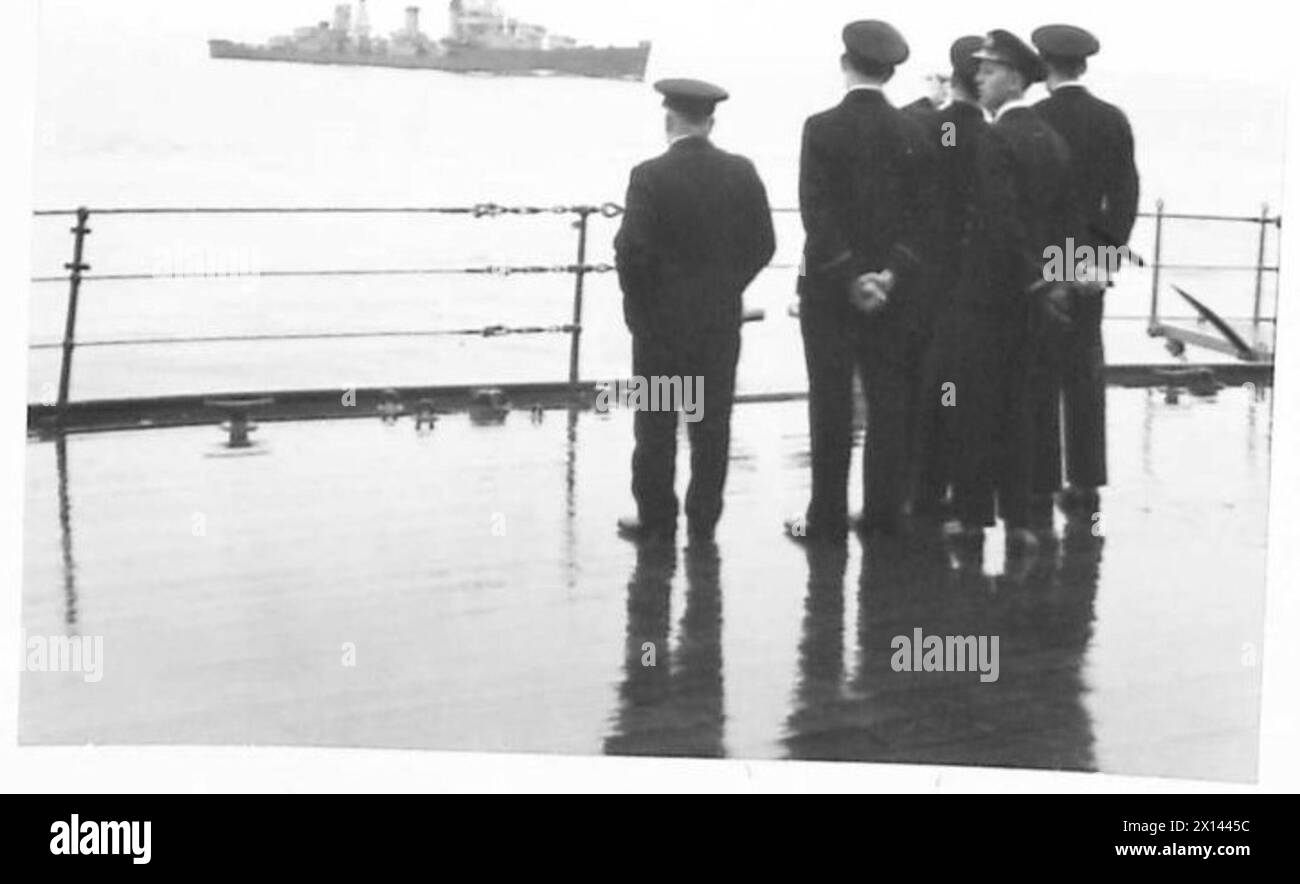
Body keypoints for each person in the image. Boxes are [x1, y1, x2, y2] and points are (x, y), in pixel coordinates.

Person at [787, 20, 934, 543]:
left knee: (829, 402)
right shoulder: (918, 132)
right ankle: (882, 516)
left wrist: (850, 276)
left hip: (828, 289)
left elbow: (816, 214)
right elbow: (923, 219)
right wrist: (888, 275)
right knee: (889, 402)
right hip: (896, 293)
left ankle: (825, 517)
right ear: (891, 71)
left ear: (845, 63)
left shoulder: (819, 128)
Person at [614, 78, 776, 544]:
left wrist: (641, 311)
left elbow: (633, 251)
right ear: (711, 122)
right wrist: (727, 288)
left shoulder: (649, 175)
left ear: (669, 120)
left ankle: (656, 518)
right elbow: (764, 244)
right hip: (718, 324)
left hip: (661, 328)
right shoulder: (742, 171)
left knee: (656, 425)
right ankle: (703, 521)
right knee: (711, 425)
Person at [947, 29, 1074, 558]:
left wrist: (1029, 276)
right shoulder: (1052, 139)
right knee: (1023, 405)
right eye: (979, 69)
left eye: (991, 69)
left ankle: (974, 517)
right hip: (1036, 298)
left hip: (989, 295)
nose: (980, 77)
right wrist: (1054, 280)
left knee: (975, 404)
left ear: (1016, 77)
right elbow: (1068, 221)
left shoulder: (992, 139)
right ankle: (1020, 517)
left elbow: (999, 219)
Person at [1032, 24, 1140, 519]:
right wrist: (1101, 258)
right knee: (1085, 370)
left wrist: (1042, 266)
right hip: (1089, 262)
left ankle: (1041, 476)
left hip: (1041, 266)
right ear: (1083, 64)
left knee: (1039, 370)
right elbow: (1124, 196)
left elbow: (1026, 204)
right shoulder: (1112, 119)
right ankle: (1086, 482)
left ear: (1044, 62)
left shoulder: (1034, 119)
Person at [907, 35, 990, 520]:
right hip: (977, 282)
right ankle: (968, 491)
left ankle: (924, 486)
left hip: (929, 280)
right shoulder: (990, 133)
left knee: (928, 385)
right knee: (963, 388)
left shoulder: (938, 130)